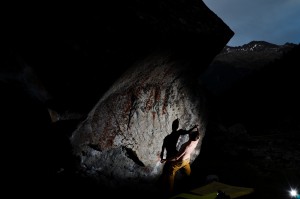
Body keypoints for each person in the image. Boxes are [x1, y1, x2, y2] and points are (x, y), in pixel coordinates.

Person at [161, 129, 201, 196]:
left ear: (190, 137)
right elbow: (198, 134)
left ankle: (169, 190)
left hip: (181, 161)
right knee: (188, 171)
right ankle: (189, 179)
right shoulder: (197, 140)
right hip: (187, 159)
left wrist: (165, 160)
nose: (189, 134)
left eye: (190, 134)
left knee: (171, 172)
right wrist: (196, 128)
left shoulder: (186, 146)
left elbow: (176, 158)